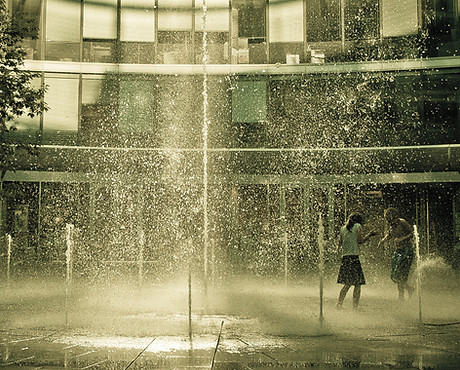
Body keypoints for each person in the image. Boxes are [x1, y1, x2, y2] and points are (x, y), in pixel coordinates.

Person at [336, 212, 378, 309]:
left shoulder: (342, 229)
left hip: (345, 258)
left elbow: (340, 243)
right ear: (359, 221)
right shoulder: (357, 226)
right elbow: (360, 241)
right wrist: (370, 235)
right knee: (358, 284)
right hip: (354, 258)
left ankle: (339, 304)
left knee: (347, 284)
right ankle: (355, 306)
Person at [378, 207, 414, 300]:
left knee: (401, 275)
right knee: (395, 275)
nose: (388, 221)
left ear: (394, 217)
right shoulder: (391, 224)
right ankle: (409, 289)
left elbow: (412, 233)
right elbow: (390, 234)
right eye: (386, 219)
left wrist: (402, 239)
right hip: (398, 251)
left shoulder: (402, 222)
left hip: (407, 251)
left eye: (388, 218)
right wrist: (383, 240)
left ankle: (401, 297)